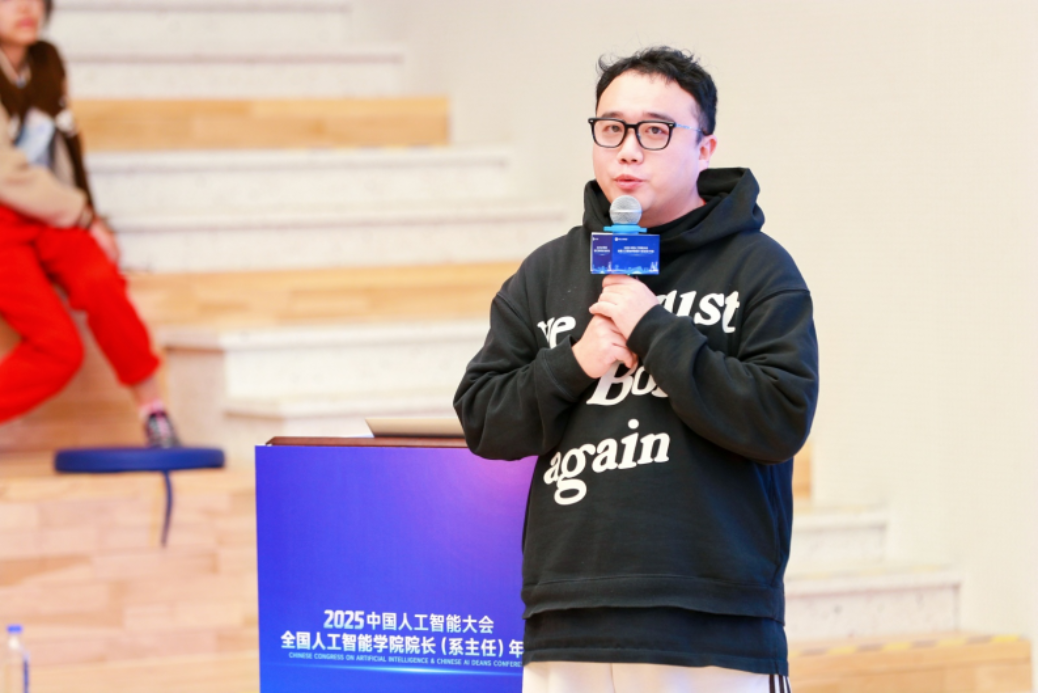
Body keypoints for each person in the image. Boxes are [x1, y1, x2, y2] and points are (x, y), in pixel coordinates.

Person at [455, 47, 818, 693]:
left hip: (711, 624)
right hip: (569, 618)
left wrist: (654, 330)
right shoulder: (546, 272)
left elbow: (779, 418)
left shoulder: (759, 268)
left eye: (655, 131)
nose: (628, 151)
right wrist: (574, 363)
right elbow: (484, 418)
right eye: (611, 128)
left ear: (705, 148)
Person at [0, 0, 179, 447]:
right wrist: (80, 212)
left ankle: (153, 410)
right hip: (7, 219)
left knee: (100, 278)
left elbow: (65, 145)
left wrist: (90, 219)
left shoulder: (46, 60)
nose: (27, 8)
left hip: (50, 211)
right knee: (59, 348)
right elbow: (5, 174)